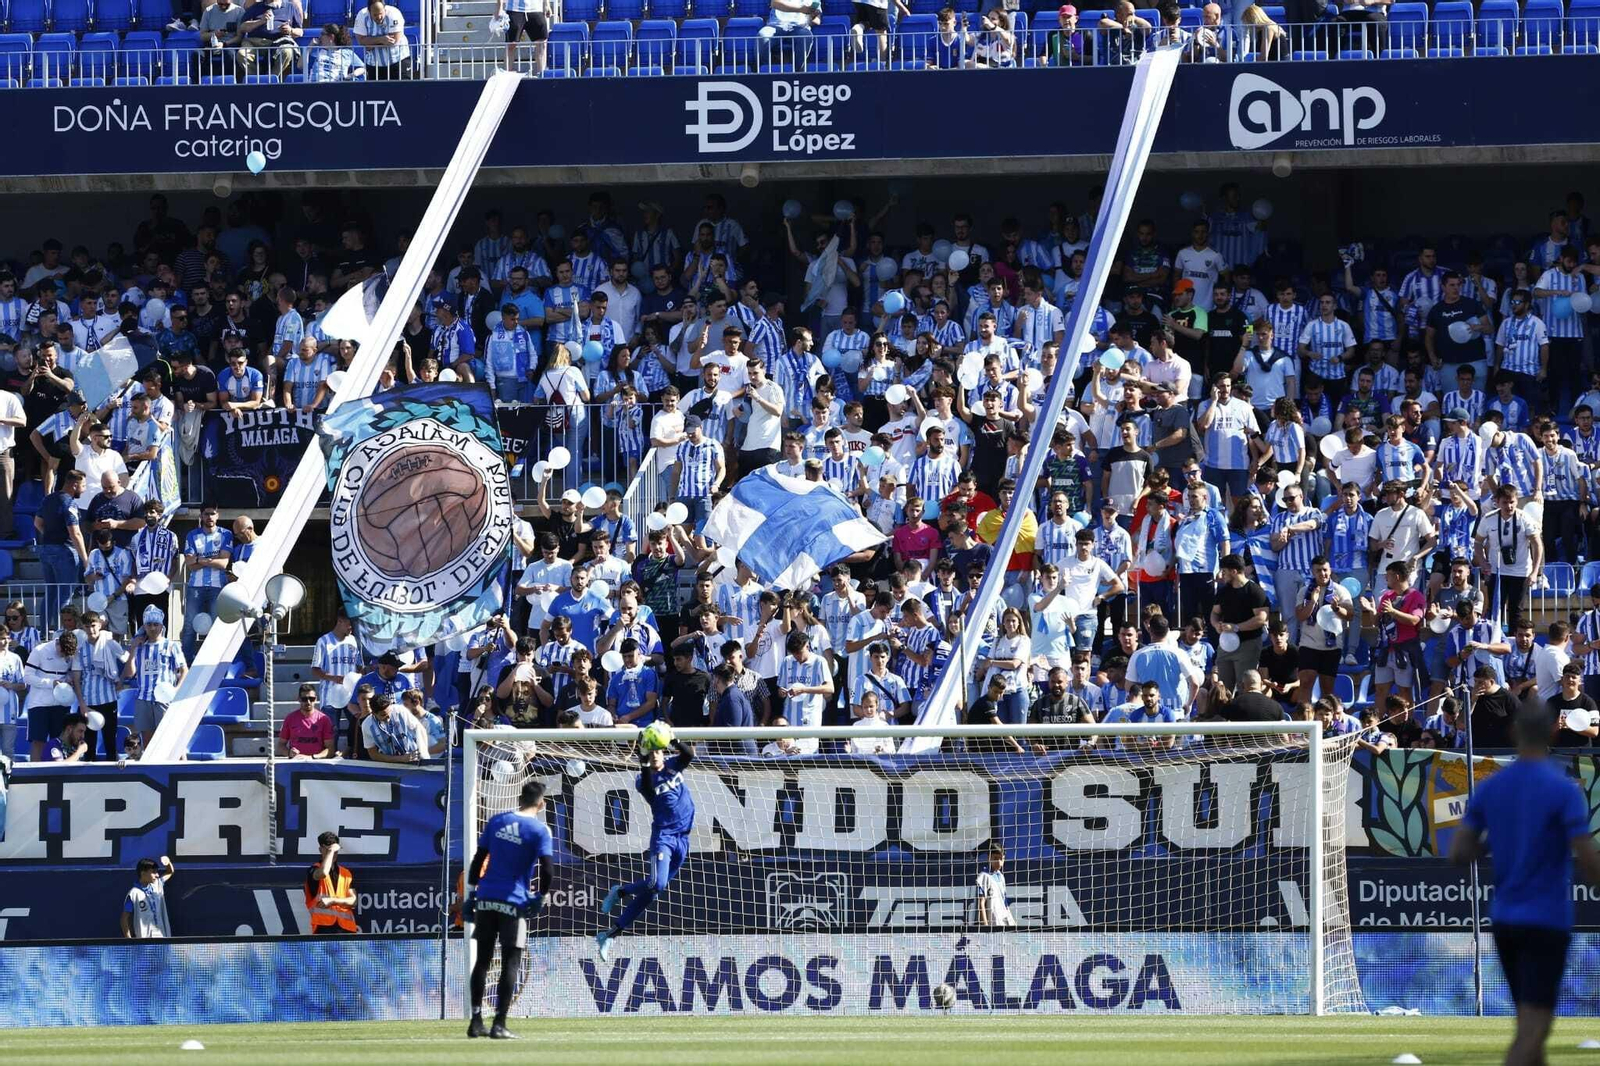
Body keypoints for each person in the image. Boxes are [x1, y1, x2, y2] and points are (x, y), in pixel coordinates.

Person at [1451, 709, 1600, 1066]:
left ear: (1514, 733)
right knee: (1535, 1029)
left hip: (1505, 918)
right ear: (1552, 733)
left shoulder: (1491, 787)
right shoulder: (1562, 788)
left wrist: (1496, 839)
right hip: (1546, 918)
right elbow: (1585, 855)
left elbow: (1459, 853)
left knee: (1529, 1024)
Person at [596, 732, 697, 962]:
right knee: (655, 883)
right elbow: (649, 785)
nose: (655, 756)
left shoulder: (673, 765)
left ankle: (610, 934)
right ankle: (620, 891)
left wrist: (672, 738)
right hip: (664, 838)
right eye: (650, 754)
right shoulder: (644, 781)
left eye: (657, 752)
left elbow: (689, 754)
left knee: (654, 892)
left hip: (683, 838)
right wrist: (643, 760)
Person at [464, 780, 553, 1040]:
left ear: (519, 799)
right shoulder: (540, 830)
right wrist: (541, 896)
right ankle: (499, 1023)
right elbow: (548, 869)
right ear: (541, 804)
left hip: (486, 896)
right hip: (513, 900)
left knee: (482, 960)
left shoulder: (497, 821)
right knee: (511, 961)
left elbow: (478, 860)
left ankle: (476, 1020)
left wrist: (471, 895)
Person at [121, 606, 187, 747]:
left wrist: (176, 690)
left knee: (170, 738)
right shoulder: (138, 647)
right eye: (149, 624)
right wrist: (132, 650)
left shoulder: (171, 645)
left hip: (164, 698)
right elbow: (129, 673)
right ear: (144, 626)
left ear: (161, 626)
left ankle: (181, 760)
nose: (152, 628)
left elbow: (184, 670)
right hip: (143, 698)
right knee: (147, 741)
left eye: (156, 624)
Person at [305, 830, 357, 934]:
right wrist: (331, 851)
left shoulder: (346, 873)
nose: (333, 853)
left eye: (335, 850)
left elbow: (353, 901)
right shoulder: (314, 870)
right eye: (328, 849)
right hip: (323, 930)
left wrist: (333, 901)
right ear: (320, 849)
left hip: (347, 930)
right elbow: (323, 873)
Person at [279, 682, 337, 759]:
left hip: (316, 762)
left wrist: (312, 757)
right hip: (296, 761)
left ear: (316, 699)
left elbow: (330, 749)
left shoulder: (324, 719)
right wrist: (289, 753)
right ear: (299, 699)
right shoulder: (290, 718)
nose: (308, 702)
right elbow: (281, 745)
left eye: (311, 699)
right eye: (304, 699)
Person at [122, 856, 175, 939]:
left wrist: (168, 863)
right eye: (153, 872)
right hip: (144, 941)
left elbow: (170, 872)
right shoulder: (133, 894)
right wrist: (129, 940)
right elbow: (124, 919)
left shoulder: (158, 884)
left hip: (163, 938)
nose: (157, 875)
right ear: (143, 873)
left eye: (157, 872)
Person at [975, 844, 1015, 927]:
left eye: (1001, 859)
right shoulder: (984, 876)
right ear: (989, 858)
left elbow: (1004, 903)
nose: (999, 862)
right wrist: (985, 926)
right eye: (995, 858)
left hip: (1003, 920)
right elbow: (981, 903)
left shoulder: (1001, 877)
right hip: (993, 922)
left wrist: (1012, 922)